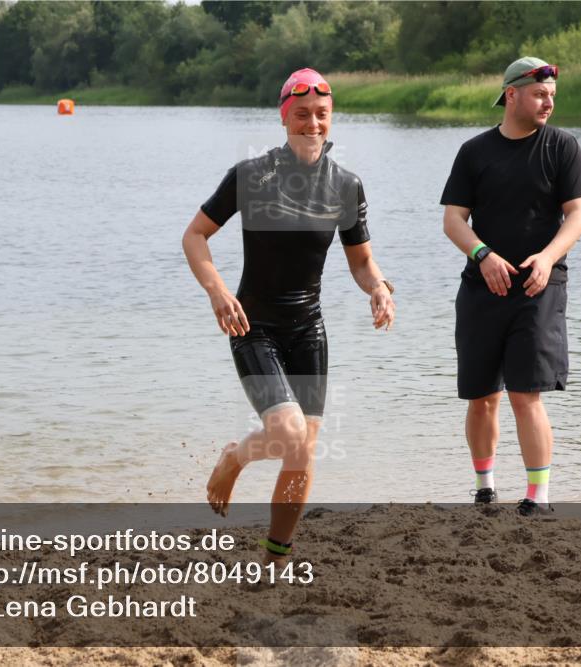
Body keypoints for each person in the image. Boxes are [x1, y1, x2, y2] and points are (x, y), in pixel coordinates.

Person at [182, 68, 395, 560]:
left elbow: (361, 262)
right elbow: (195, 236)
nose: (312, 124)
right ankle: (235, 458)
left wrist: (379, 289)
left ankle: (276, 556)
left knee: (301, 449)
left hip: (308, 331)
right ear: (284, 118)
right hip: (252, 325)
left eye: (321, 114)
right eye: (301, 115)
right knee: (287, 432)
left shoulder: (346, 185)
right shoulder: (251, 176)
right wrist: (216, 291)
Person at [440, 57, 581, 516]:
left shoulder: (563, 147)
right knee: (481, 397)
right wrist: (482, 254)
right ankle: (484, 487)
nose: (549, 102)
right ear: (512, 95)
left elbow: (578, 214)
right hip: (481, 289)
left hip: (538, 289)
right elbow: (453, 220)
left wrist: (547, 258)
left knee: (526, 394)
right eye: (540, 94)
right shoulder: (474, 151)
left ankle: (537, 496)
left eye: (552, 95)